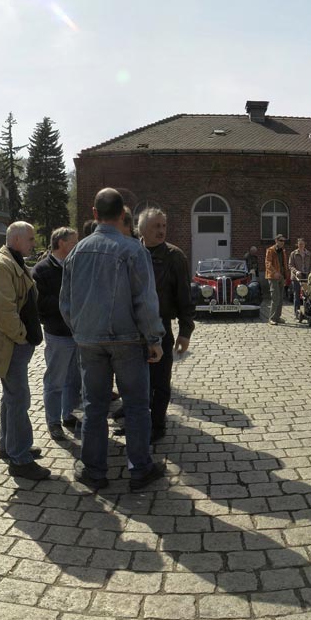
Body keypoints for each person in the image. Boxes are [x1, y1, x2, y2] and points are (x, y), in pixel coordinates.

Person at [60, 188, 165, 491]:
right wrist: (154, 338)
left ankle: (94, 471)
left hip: (89, 341)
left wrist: (81, 331)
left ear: (94, 214)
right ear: (122, 214)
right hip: (127, 341)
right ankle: (140, 468)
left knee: (93, 406)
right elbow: (145, 301)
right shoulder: (134, 250)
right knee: (136, 406)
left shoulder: (76, 252)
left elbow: (65, 303)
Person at [0, 222, 49, 478]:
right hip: (11, 344)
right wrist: (22, 336)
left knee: (12, 398)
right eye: (30, 239)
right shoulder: (2, 264)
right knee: (19, 399)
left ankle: (9, 446)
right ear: (17, 239)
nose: (33, 243)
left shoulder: (12, 260)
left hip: (16, 343)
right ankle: (19, 458)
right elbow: (3, 311)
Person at [140, 208, 195, 439]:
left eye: (164, 225)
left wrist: (185, 331)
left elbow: (184, 297)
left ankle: (157, 425)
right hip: (133, 328)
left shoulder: (174, 256)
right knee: (137, 381)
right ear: (142, 229)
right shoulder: (132, 252)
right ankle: (138, 422)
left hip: (161, 327)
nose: (161, 230)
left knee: (160, 381)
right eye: (156, 226)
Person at [34, 226, 81, 443]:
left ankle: (69, 414)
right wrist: (68, 303)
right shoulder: (41, 269)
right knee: (55, 381)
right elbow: (40, 303)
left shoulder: (76, 265)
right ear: (61, 243)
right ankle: (53, 422)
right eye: (74, 242)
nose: (77, 245)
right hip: (58, 334)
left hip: (78, 333)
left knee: (74, 380)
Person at [259, 237, 287, 324]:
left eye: (283, 241)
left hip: (281, 276)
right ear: (276, 241)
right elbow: (268, 263)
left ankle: (277, 317)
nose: (282, 242)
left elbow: (284, 264)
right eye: (280, 240)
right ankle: (272, 318)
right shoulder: (270, 250)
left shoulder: (283, 251)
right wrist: (275, 272)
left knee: (281, 298)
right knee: (275, 297)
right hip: (273, 277)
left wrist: (285, 276)